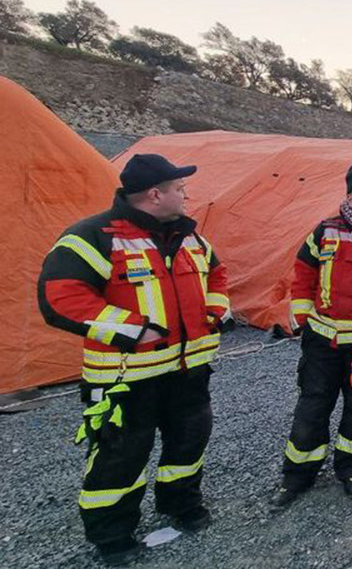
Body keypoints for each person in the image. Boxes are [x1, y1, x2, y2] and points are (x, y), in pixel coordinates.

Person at [37, 154, 233, 566]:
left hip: (188, 371)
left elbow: (217, 275)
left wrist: (215, 311)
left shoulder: (189, 237)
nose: (186, 194)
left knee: (188, 442)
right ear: (155, 194)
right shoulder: (93, 236)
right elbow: (61, 296)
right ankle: (112, 535)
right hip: (125, 378)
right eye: (179, 188)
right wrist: (129, 328)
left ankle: (181, 505)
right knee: (119, 457)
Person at [269, 163, 352, 509]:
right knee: (312, 407)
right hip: (322, 340)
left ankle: (351, 470)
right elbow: (303, 273)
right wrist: (300, 313)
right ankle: (298, 474)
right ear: (350, 197)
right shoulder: (324, 231)